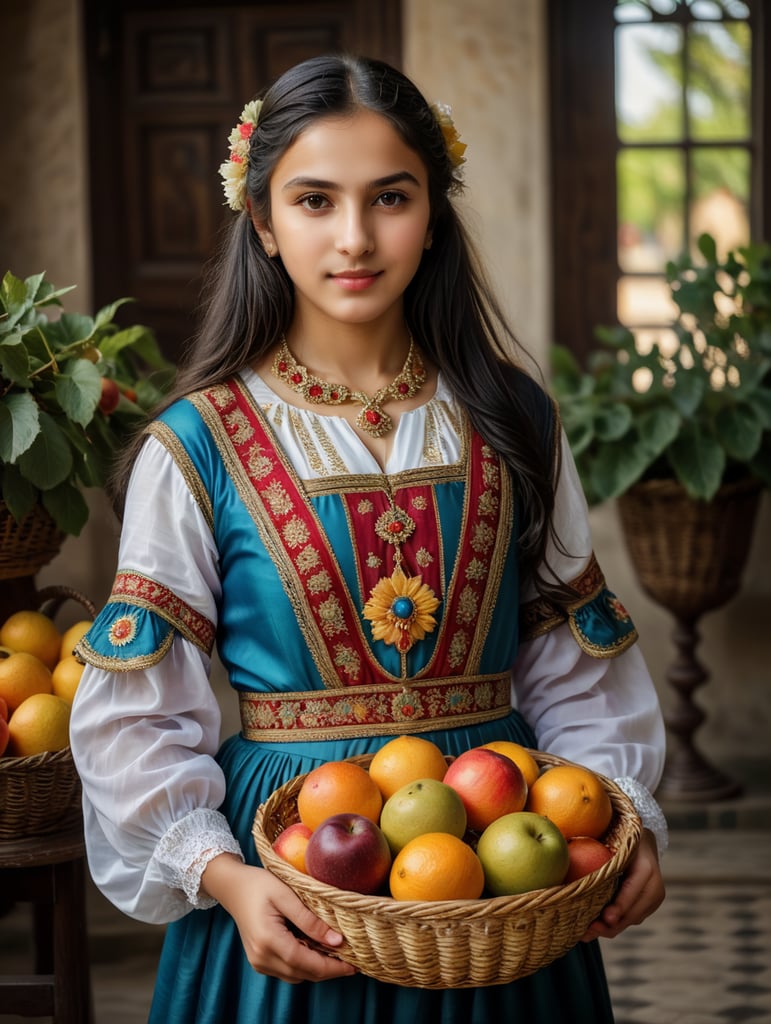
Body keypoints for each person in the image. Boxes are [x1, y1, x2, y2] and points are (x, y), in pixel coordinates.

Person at [70, 53, 667, 1023]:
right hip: (288, 870)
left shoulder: (515, 420)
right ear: (260, 220)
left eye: (390, 197)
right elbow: (138, 711)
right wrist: (222, 874)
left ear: (433, 214)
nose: (354, 237)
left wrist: (624, 823)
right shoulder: (196, 446)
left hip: (505, 863)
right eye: (313, 201)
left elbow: (572, 664)